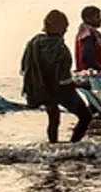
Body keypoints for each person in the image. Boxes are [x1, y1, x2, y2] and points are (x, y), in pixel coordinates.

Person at [21, 10, 94, 143]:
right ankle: (73, 145)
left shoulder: (34, 43)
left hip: (43, 89)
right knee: (85, 117)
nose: (66, 30)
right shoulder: (60, 49)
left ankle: (53, 145)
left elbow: (25, 68)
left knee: (54, 119)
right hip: (61, 92)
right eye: (65, 26)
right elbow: (63, 81)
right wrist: (81, 84)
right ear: (61, 28)